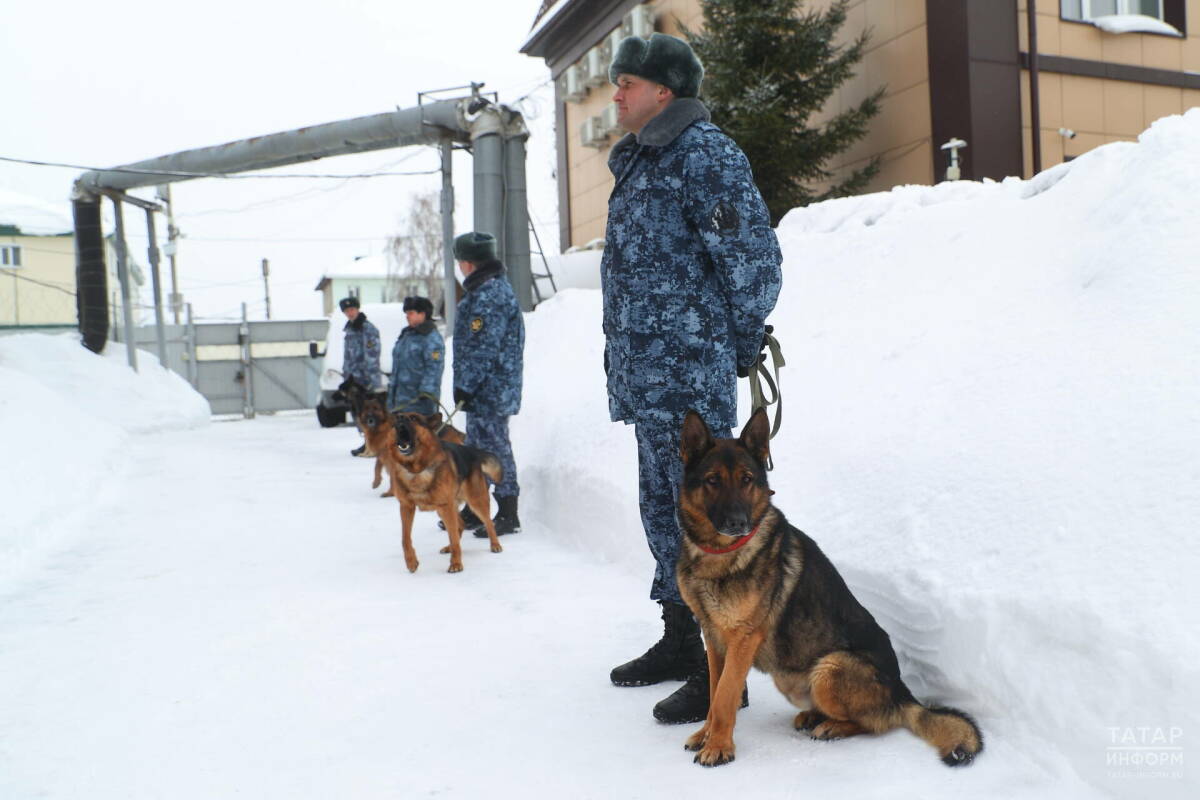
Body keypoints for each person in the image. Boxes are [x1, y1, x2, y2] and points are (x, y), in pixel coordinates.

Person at [602, 34, 783, 724]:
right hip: (649, 377)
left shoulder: (703, 155)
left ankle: (722, 669)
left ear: (664, 91)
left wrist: (736, 339)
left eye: (626, 83)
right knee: (664, 512)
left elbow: (753, 263)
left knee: (707, 520)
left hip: (687, 375)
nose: (616, 94)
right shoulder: (643, 161)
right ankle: (683, 638)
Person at [451, 231, 525, 536]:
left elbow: (483, 347)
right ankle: (474, 507)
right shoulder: (483, 290)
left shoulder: (490, 294)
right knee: (475, 448)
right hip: (483, 389)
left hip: (491, 389)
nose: (459, 267)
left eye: (460, 262)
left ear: (468, 263)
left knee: (495, 449)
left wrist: (466, 385)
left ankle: (508, 512)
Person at [387, 296, 444, 416]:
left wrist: (427, 392)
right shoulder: (406, 335)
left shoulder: (431, 338)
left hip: (419, 403)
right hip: (399, 402)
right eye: (406, 313)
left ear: (422, 314)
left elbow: (434, 368)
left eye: (411, 313)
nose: (407, 316)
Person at [339, 295, 382, 457]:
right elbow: (347, 356)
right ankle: (367, 442)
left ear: (357, 309)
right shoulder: (349, 330)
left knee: (370, 414)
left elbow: (372, 356)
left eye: (352, 309)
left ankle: (374, 444)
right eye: (346, 311)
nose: (350, 313)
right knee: (358, 413)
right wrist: (346, 377)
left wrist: (371, 383)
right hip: (352, 381)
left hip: (365, 381)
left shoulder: (368, 329)